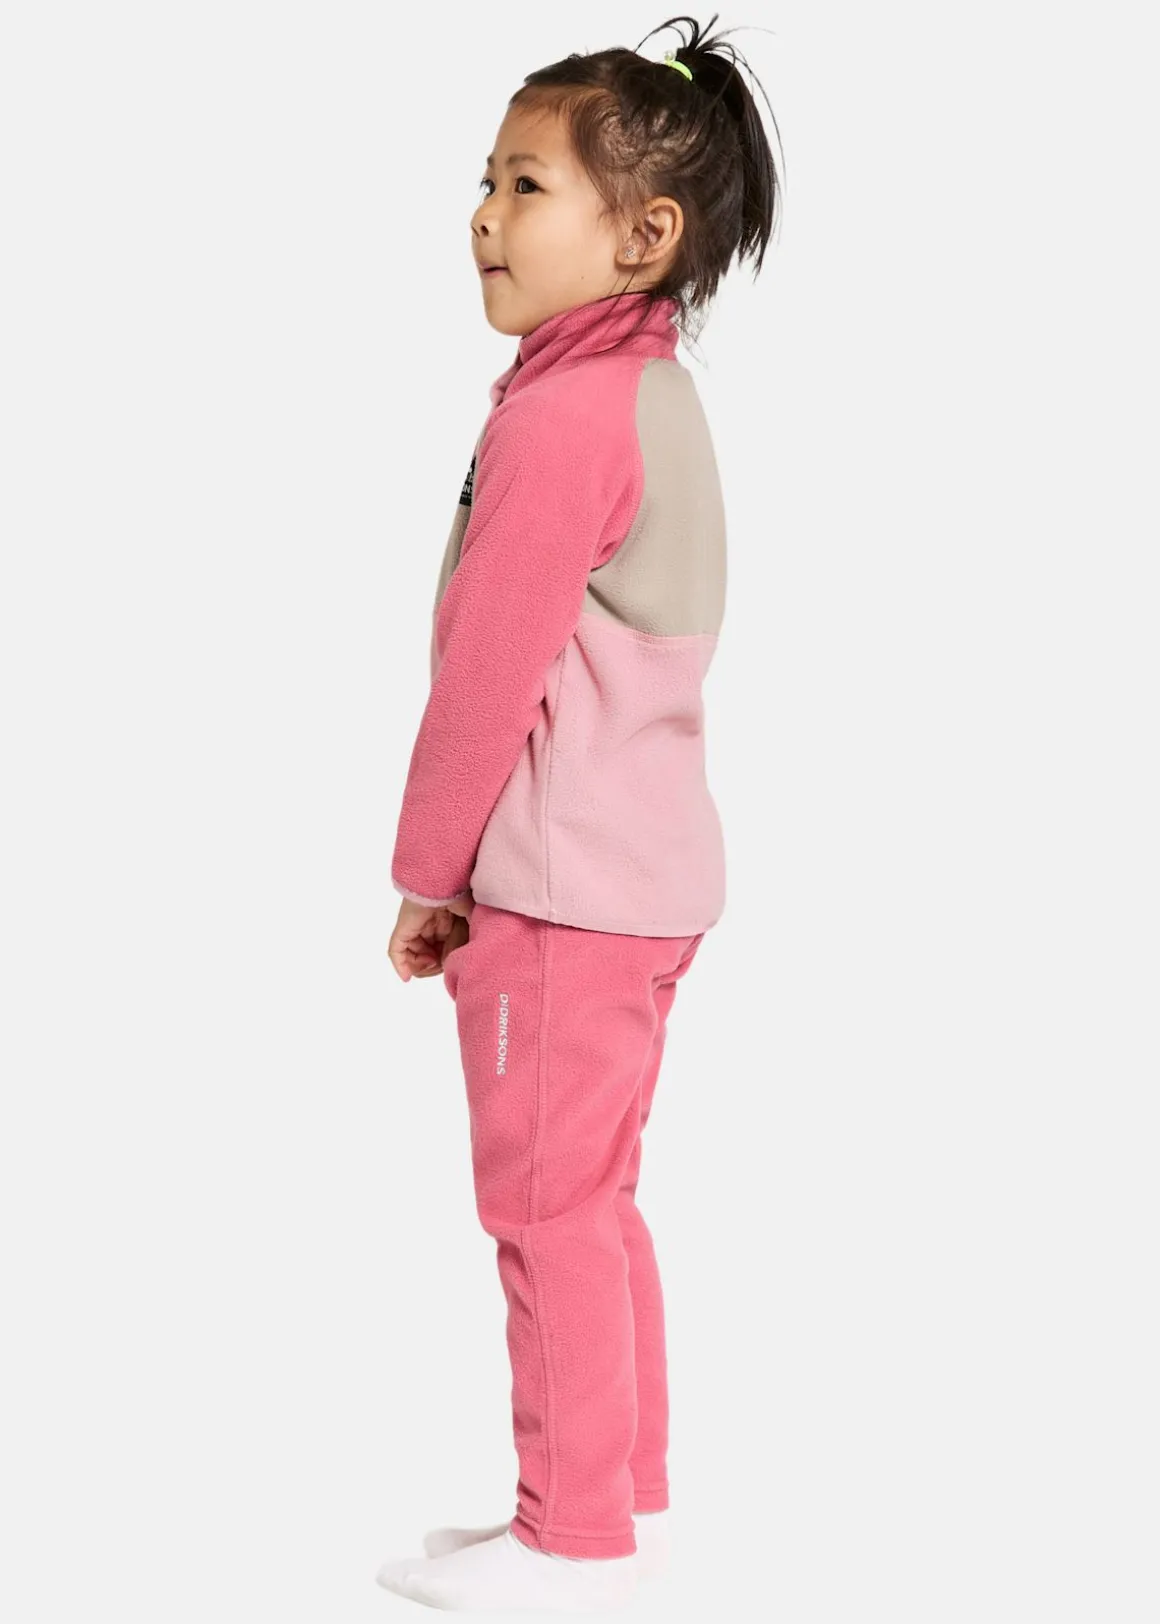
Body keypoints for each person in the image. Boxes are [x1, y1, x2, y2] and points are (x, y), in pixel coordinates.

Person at [379, 14, 783, 1612]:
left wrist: (431, 874)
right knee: (594, 1202)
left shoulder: (561, 419)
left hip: (561, 894)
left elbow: (489, 675)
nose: (483, 215)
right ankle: (626, 1504)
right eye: (484, 180)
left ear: (642, 235)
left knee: (544, 1209)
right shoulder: (645, 392)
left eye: (526, 184)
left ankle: (571, 1542)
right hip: (644, 877)